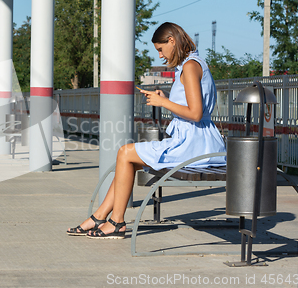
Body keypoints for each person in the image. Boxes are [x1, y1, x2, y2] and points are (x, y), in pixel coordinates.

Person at [66, 22, 226, 239]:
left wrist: (162, 102)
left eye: (161, 49)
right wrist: (167, 99)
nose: (161, 56)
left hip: (194, 144)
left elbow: (196, 113)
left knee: (125, 152)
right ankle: (101, 215)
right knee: (128, 158)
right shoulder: (192, 64)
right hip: (197, 140)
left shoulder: (189, 67)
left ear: (172, 41)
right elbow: (195, 109)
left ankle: (117, 221)